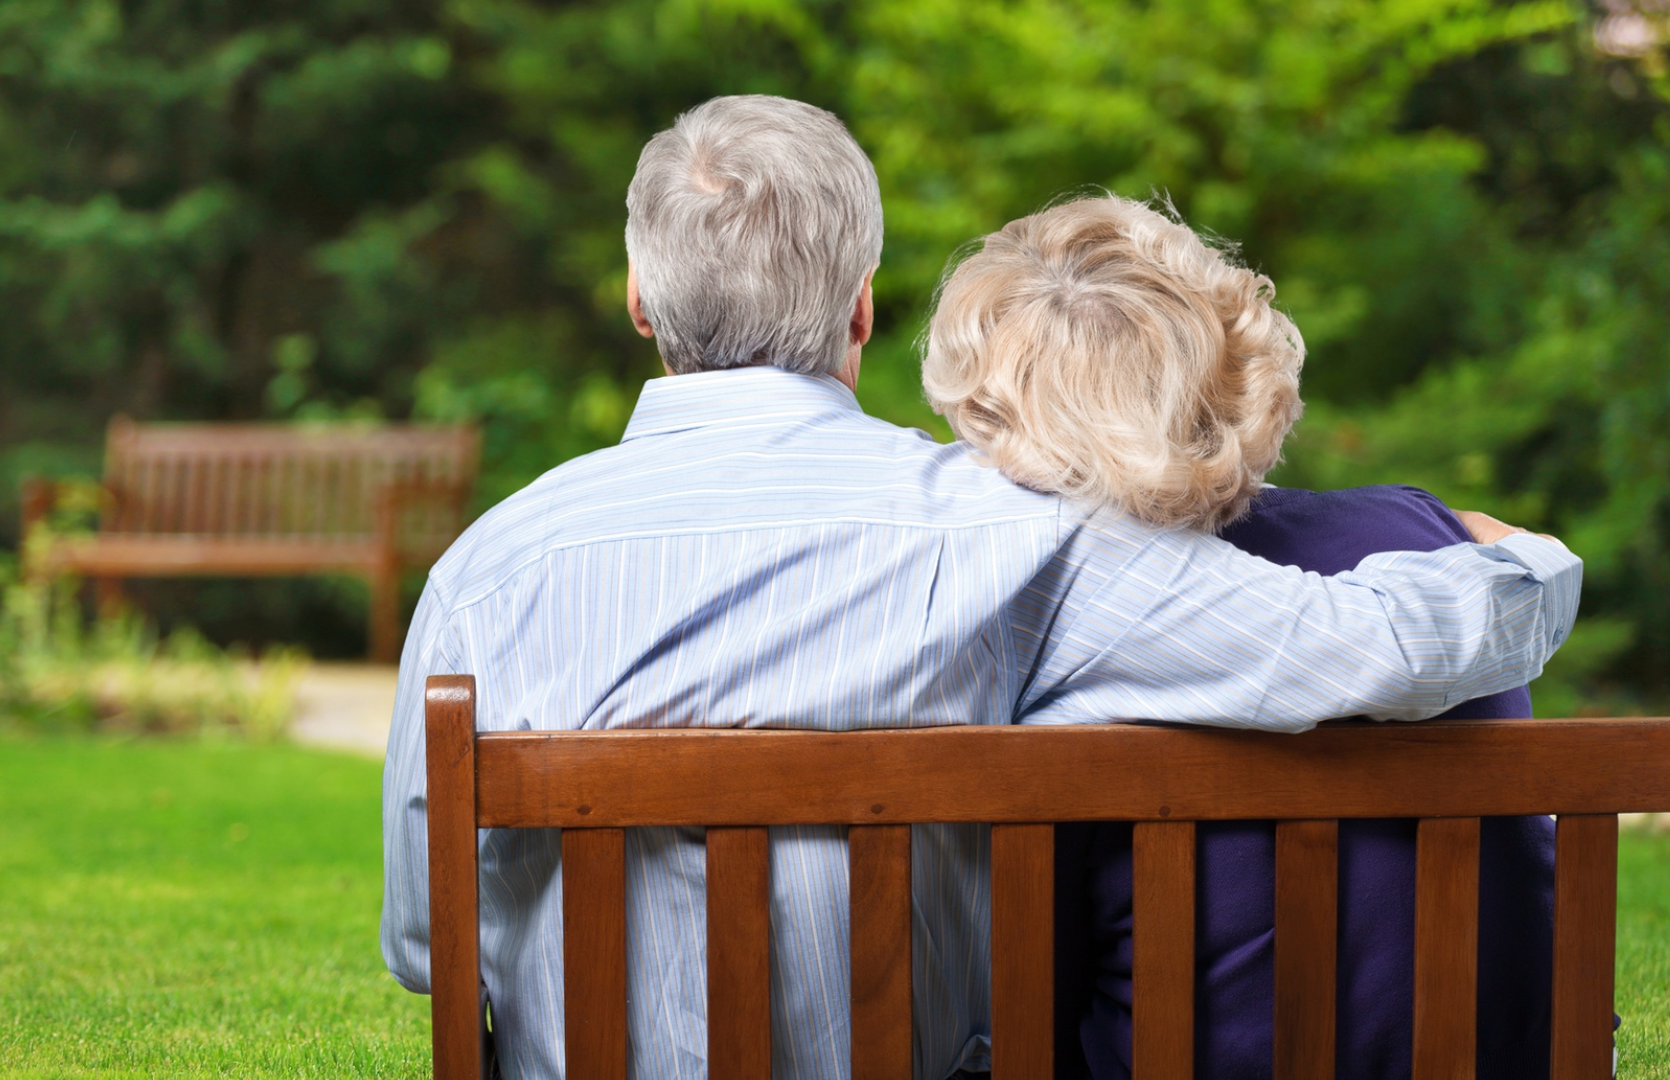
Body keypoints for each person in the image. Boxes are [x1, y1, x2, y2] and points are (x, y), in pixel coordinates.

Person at [382, 96, 1581, 1080]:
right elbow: (1367, 647)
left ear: (641, 305)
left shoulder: (487, 570)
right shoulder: (1009, 536)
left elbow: (426, 944)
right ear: (860, 306)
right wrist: (1527, 560)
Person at [918, 192, 1561, 1079]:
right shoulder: (1433, 539)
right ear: (1237, 365)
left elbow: (1031, 1007)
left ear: (999, 421)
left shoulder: (1058, 624)